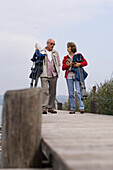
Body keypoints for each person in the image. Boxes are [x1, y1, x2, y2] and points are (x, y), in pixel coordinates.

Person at [62, 42, 88, 114]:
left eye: (68, 47)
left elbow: (85, 62)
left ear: (71, 48)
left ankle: (81, 107)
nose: (67, 48)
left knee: (79, 91)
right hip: (69, 76)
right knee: (71, 93)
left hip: (77, 75)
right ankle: (73, 108)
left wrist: (79, 64)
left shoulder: (79, 55)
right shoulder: (66, 57)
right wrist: (69, 65)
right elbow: (63, 67)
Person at [41, 39, 60, 114]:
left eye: (54, 44)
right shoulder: (42, 51)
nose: (52, 45)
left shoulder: (55, 52)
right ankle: (44, 107)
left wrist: (57, 71)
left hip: (53, 74)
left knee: (53, 92)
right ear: (47, 43)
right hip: (44, 74)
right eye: (51, 44)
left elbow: (58, 62)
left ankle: (51, 107)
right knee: (45, 91)